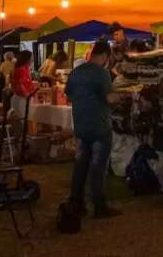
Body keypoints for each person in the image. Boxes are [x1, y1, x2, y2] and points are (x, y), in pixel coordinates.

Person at [65, 40, 122, 218]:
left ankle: (76, 202)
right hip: (99, 126)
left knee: (80, 165)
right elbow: (110, 98)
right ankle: (99, 206)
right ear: (105, 55)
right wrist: (120, 97)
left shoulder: (75, 72)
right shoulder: (102, 74)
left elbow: (69, 95)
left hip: (81, 125)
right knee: (98, 167)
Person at [10, 51, 36, 137]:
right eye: (31, 58)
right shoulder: (20, 70)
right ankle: (23, 139)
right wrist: (27, 95)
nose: (32, 60)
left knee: (26, 120)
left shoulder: (25, 69)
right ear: (26, 59)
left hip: (24, 98)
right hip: (22, 99)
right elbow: (19, 84)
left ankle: (24, 139)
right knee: (23, 120)